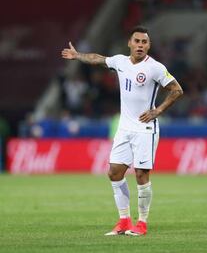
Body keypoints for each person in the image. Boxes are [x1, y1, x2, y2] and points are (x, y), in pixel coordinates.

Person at [61, 26, 183, 236]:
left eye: (144, 42)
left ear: (149, 46)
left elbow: (177, 89)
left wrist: (158, 110)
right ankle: (124, 221)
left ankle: (142, 224)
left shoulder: (154, 67)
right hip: (124, 127)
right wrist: (77, 55)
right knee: (114, 172)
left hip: (145, 128)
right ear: (129, 43)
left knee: (141, 174)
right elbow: (98, 58)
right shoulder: (119, 61)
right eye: (137, 41)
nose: (140, 45)